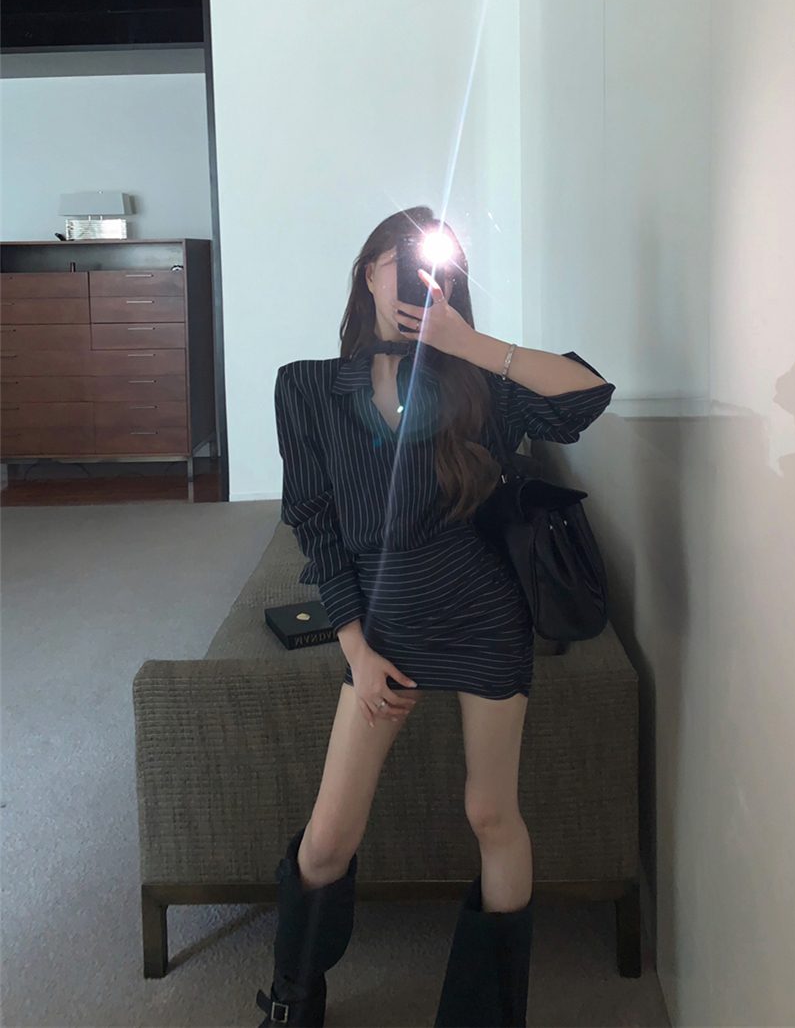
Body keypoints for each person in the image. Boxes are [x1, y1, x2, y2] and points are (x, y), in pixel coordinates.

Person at [257, 206, 616, 1027]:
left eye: (437, 268)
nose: (418, 280)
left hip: (482, 613)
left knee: (491, 813)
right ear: (368, 273)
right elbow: (312, 519)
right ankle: (293, 998)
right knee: (326, 840)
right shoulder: (307, 386)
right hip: (382, 626)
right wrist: (355, 646)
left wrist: (469, 345)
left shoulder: (474, 385)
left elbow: (587, 395)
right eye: (400, 261)